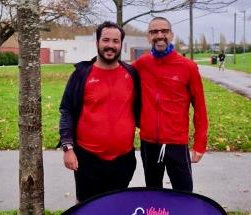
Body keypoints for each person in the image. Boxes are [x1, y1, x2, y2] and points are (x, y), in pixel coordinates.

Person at [58, 21, 140, 202]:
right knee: (86, 209)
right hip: (88, 159)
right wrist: (67, 147)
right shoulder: (81, 75)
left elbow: (141, 110)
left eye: (115, 41)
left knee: (115, 209)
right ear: (97, 43)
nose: (110, 45)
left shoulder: (131, 74)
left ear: (121, 45)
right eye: (106, 40)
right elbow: (66, 110)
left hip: (123, 160)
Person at [133, 17, 208, 192]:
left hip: (176, 143)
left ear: (171, 35)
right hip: (149, 143)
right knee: (153, 193)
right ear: (148, 37)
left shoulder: (188, 67)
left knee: (184, 194)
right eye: (154, 32)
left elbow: (200, 108)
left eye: (164, 31)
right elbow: (119, 73)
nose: (159, 35)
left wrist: (200, 144)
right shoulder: (142, 64)